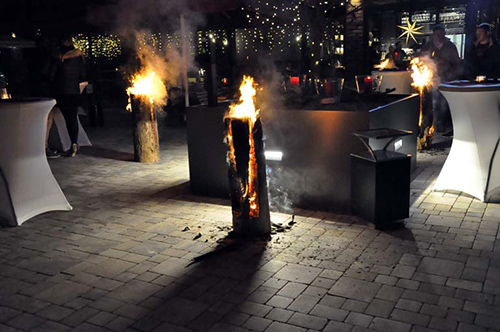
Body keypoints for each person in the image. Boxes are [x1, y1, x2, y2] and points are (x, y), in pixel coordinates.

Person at [421, 24, 460, 134]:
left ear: (444, 33)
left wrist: (451, 77)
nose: (437, 36)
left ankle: (440, 124)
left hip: (445, 79)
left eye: (439, 33)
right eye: (436, 34)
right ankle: (428, 124)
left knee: (442, 103)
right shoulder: (428, 46)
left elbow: (456, 63)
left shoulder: (450, 46)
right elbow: (421, 59)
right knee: (429, 102)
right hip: (430, 78)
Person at [53, 35, 86, 157]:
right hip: (74, 91)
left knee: (69, 119)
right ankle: (74, 143)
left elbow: (51, 73)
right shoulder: (79, 57)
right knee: (72, 118)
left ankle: (73, 144)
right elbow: (83, 74)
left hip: (63, 91)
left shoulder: (59, 56)